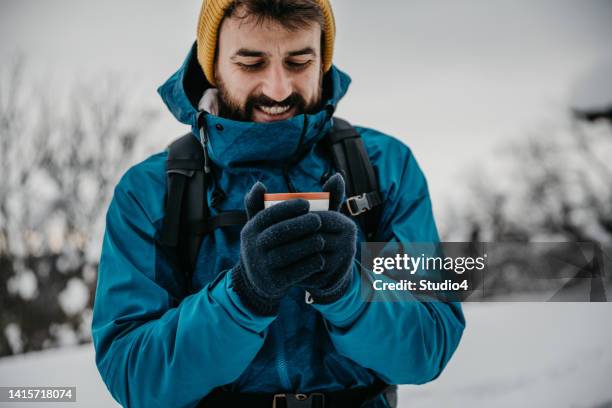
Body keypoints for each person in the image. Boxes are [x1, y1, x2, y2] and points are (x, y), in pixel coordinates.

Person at [92, 1, 465, 407]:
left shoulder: (385, 168)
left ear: (323, 62)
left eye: (299, 61)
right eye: (251, 63)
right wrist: (242, 296)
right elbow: (132, 376)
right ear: (212, 63)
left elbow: (429, 346)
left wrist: (349, 291)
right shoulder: (150, 192)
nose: (278, 89)